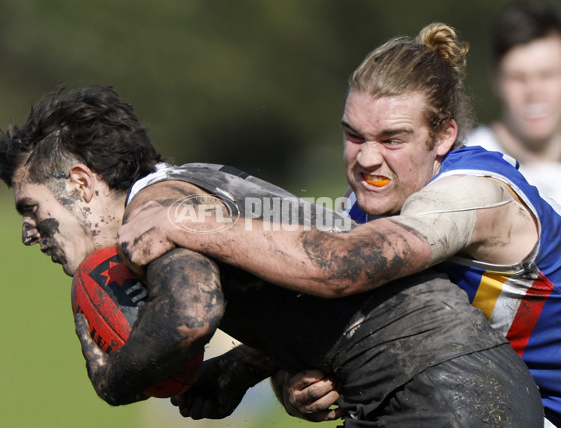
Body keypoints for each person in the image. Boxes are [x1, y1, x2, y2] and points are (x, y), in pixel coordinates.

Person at [0, 85, 543, 427]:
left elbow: (188, 316)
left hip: (447, 399)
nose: (29, 232)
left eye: (31, 207)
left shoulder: (157, 208)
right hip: (456, 390)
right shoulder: (195, 184)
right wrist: (235, 372)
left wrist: (115, 380)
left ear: (82, 182)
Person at [116, 22, 561, 427]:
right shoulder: (367, 208)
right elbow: (337, 315)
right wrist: (284, 379)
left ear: (444, 135)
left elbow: (337, 267)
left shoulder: (476, 195)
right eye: (354, 136)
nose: (367, 159)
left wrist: (186, 222)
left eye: (392, 140)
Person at [466, 0, 561, 204]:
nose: (534, 92)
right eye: (518, 77)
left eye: (547, 75)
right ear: (496, 80)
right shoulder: (468, 166)